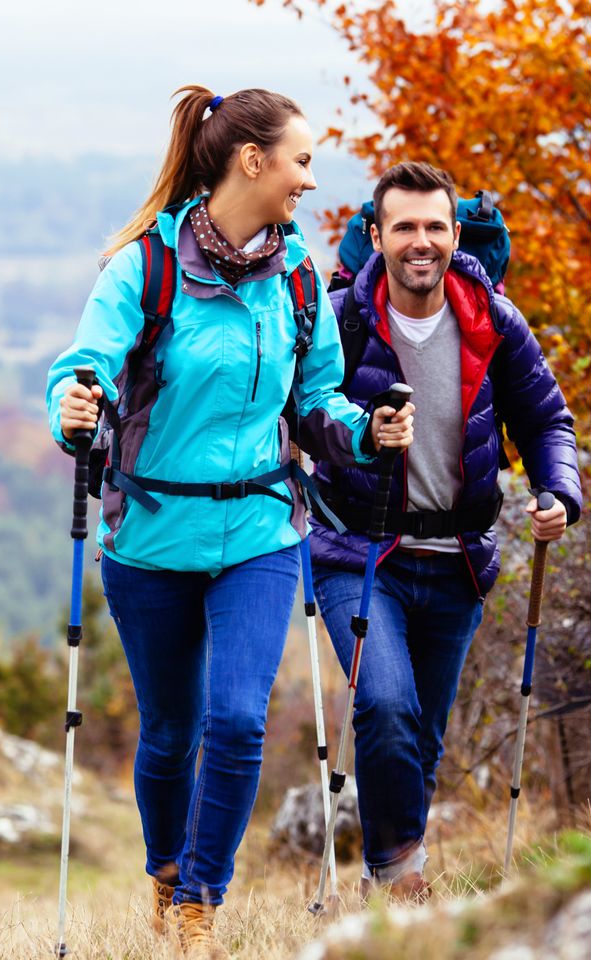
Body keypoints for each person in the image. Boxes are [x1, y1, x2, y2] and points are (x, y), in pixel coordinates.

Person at [45, 86, 414, 957]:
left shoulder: (297, 276)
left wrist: (366, 431)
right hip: (151, 534)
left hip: (259, 530)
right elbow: (84, 366)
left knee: (239, 718)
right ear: (252, 160)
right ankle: (166, 872)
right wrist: (70, 405)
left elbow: (317, 397)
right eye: (302, 161)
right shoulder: (146, 266)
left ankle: (201, 903)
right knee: (170, 731)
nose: (312, 182)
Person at [303, 160, 581, 901]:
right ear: (377, 235)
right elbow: (304, 416)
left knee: (421, 737)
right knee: (386, 703)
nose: (419, 241)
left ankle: (383, 883)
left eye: (434, 227)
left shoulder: (494, 319)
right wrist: (358, 433)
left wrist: (560, 491)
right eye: (404, 227)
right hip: (357, 552)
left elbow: (547, 418)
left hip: (458, 556)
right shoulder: (342, 321)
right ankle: (402, 881)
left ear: (456, 235)